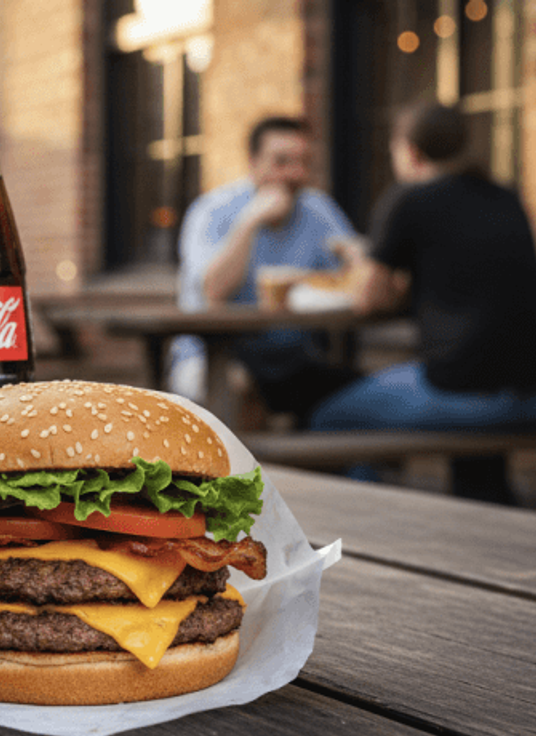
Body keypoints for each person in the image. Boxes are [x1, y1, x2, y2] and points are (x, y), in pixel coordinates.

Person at [310, 102, 536, 504]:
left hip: (465, 395)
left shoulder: (410, 200)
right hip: (524, 394)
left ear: (410, 151)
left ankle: (369, 519)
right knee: (467, 387)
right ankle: (486, 511)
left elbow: (366, 299)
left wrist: (361, 257)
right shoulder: (505, 198)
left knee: (330, 419)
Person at [172, 116, 361, 426]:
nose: (294, 174)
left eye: (303, 163)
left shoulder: (317, 209)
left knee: (355, 401)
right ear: (253, 163)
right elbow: (213, 291)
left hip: (291, 357)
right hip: (213, 356)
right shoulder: (214, 210)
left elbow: (354, 278)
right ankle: (242, 473)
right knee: (236, 389)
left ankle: (317, 472)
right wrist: (250, 222)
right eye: (281, 162)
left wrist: (355, 257)